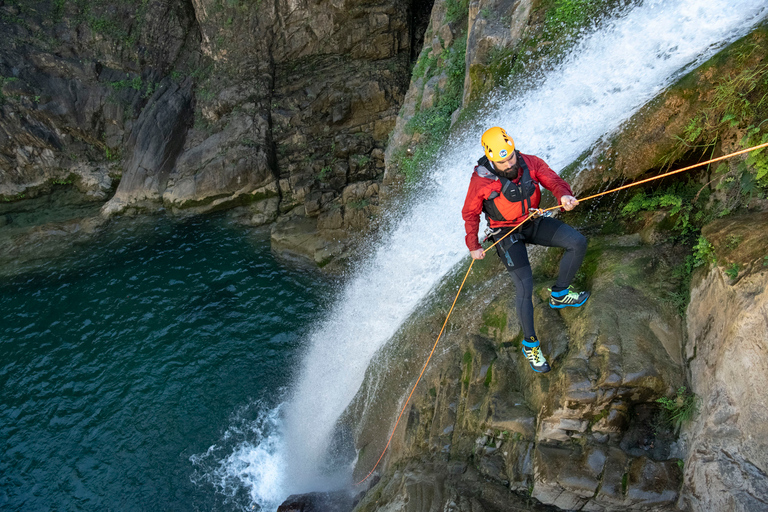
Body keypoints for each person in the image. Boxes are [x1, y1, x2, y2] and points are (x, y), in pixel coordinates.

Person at [462, 127, 590, 373]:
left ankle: (560, 294)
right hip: (505, 233)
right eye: (502, 161)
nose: (509, 163)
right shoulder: (480, 180)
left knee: (577, 242)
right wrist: (473, 245)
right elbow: (470, 213)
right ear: (491, 159)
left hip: (532, 222)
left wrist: (564, 196)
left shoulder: (529, 162)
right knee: (525, 286)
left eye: (510, 156)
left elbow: (553, 180)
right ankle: (530, 345)